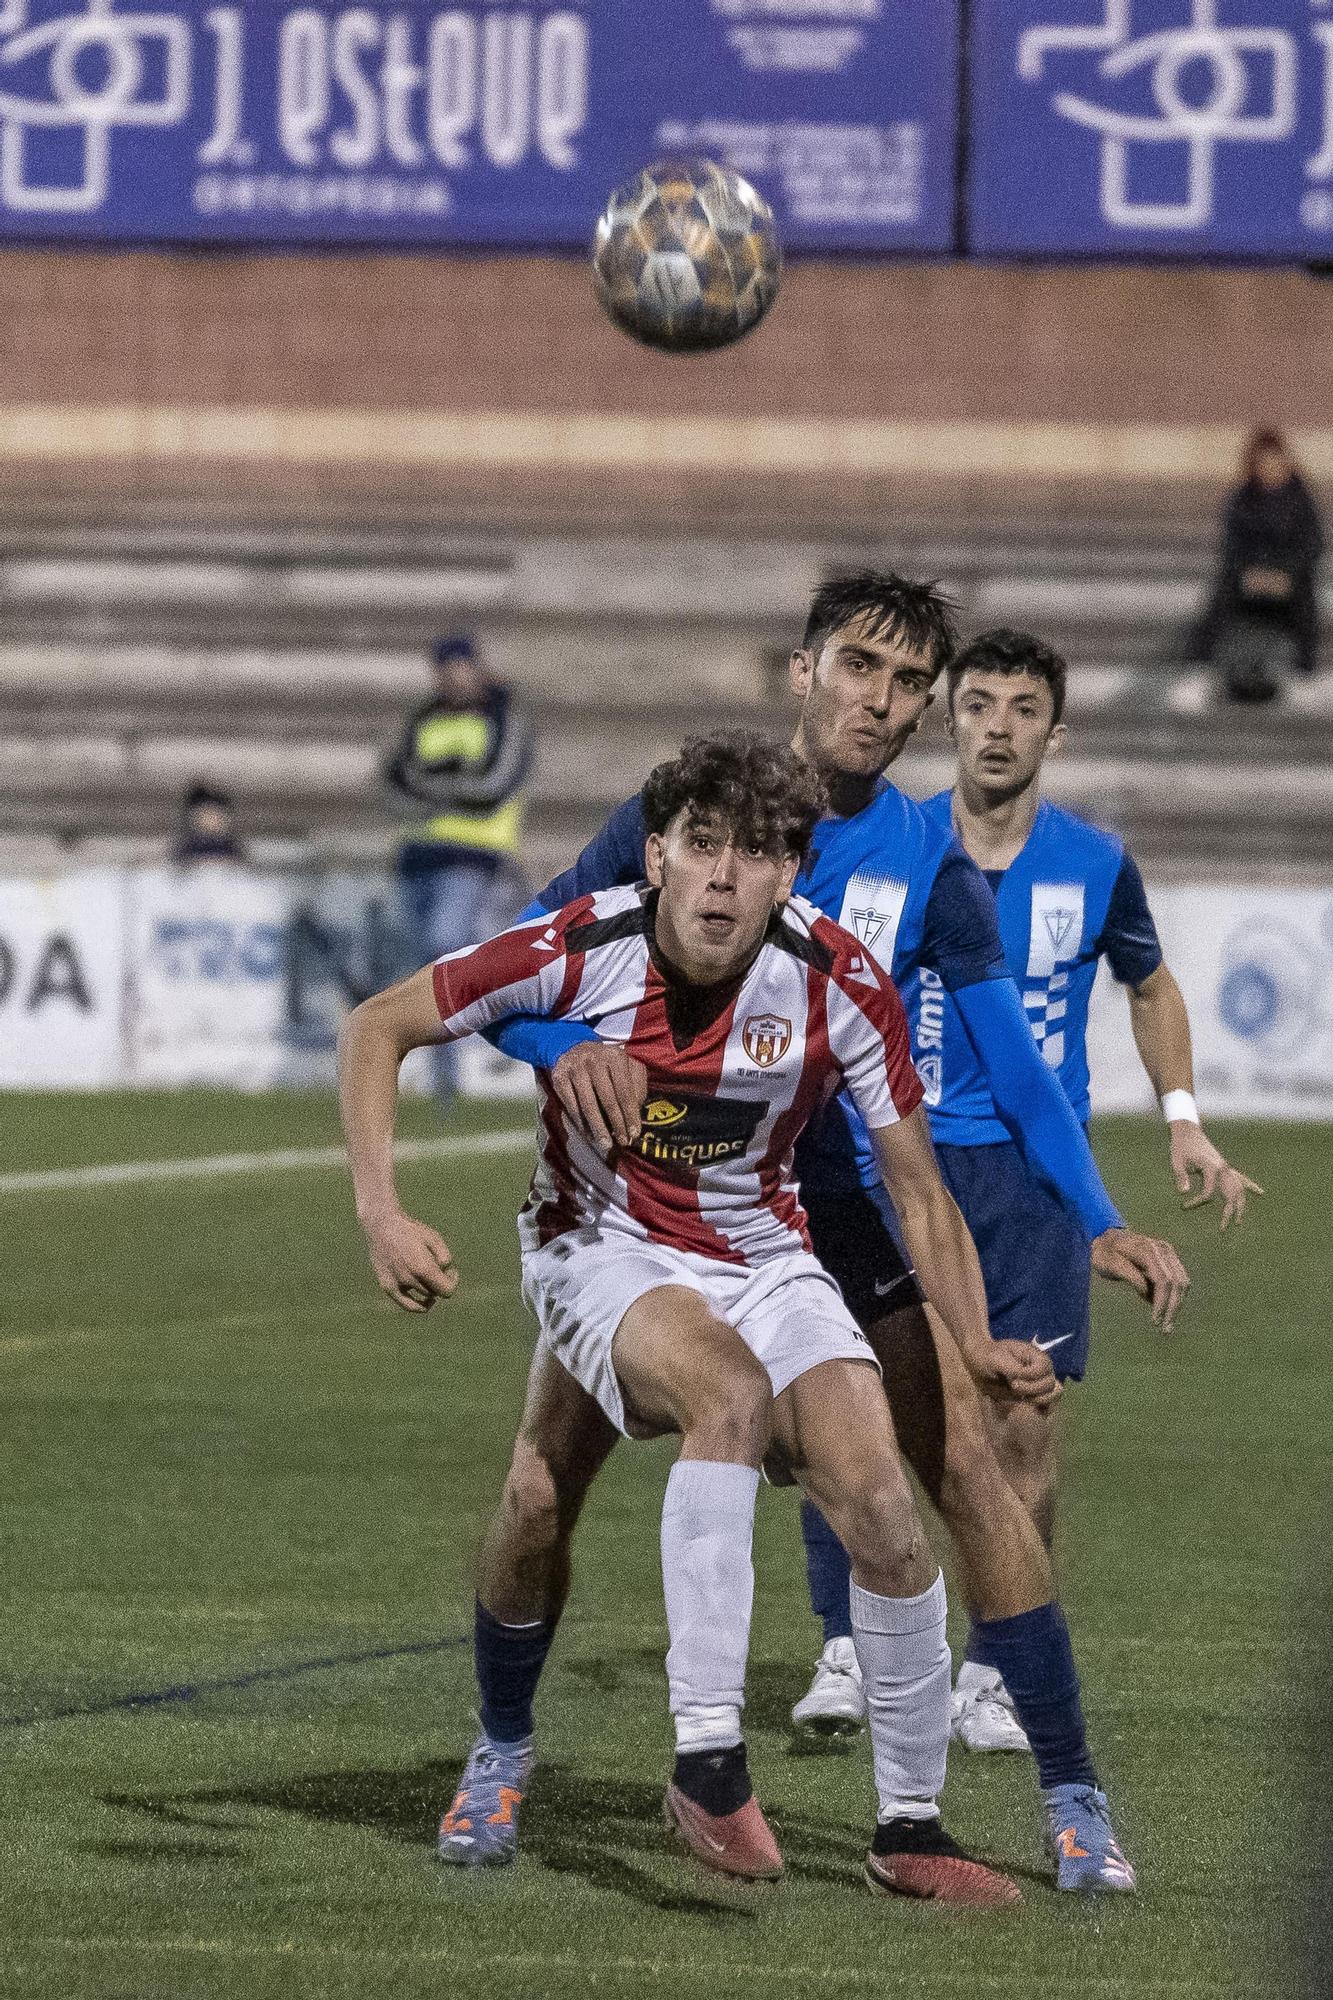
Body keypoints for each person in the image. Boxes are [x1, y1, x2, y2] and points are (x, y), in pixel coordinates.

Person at [472, 572, 1174, 1888]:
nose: (884, 701)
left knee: (962, 1475)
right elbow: (518, 961)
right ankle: (502, 1750)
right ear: (804, 671)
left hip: (827, 1211)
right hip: (643, 1194)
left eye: (911, 683)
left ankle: (1070, 1800)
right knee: (534, 1491)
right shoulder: (680, 815)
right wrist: (577, 1051)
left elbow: (1016, 1075)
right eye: (862, 667)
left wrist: (1100, 1217)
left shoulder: (929, 865)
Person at [338, 733, 1044, 1905]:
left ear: (790, 872)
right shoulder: (580, 942)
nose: (723, 875)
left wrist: (965, 1341)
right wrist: (382, 1213)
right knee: (716, 1398)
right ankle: (684, 1760)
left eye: (757, 852)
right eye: (701, 845)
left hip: (765, 1252)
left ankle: (910, 1823)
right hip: (597, 1244)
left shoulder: (837, 977)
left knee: (877, 1496)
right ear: (656, 852)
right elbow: (378, 1024)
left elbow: (916, 1186)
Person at [917, 626, 1261, 1745]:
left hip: (1032, 1176)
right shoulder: (895, 845)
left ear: (1053, 731)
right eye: (979, 703)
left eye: (1023, 707)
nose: (999, 725)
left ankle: (995, 1667)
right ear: (948, 717)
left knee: (1023, 1421)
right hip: (905, 1162)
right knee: (875, 1411)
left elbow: (1151, 985)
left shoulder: (1095, 862)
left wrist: (1182, 1119)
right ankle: (849, 1645)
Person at [382, 632, 534, 1089]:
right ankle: (433, 1075)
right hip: (416, 855)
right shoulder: (422, 716)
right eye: (443, 669)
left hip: (475, 856)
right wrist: (454, 781)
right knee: (417, 965)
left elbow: (493, 787)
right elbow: (392, 784)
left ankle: (459, 1071)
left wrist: (432, 785)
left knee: (446, 948)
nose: (451, 677)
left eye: (459, 666)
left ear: (475, 666)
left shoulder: (505, 715)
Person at [1190, 427, 1324, 686]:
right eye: (1263, 461)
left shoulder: (1301, 498)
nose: (1270, 468)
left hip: (1287, 579)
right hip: (1251, 577)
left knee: (1307, 597)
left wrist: (1285, 574)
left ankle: (1306, 668)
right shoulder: (1242, 498)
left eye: (1276, 460)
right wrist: (1250, 572)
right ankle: (1199, 662)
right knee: (1222, 590)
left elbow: (1312, 545)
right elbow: (1232, 546)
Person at [171, 782, 245, 864]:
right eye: (205, 815)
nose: (211, 820)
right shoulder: (186, 848)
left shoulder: (233, 848)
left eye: (216, 815)